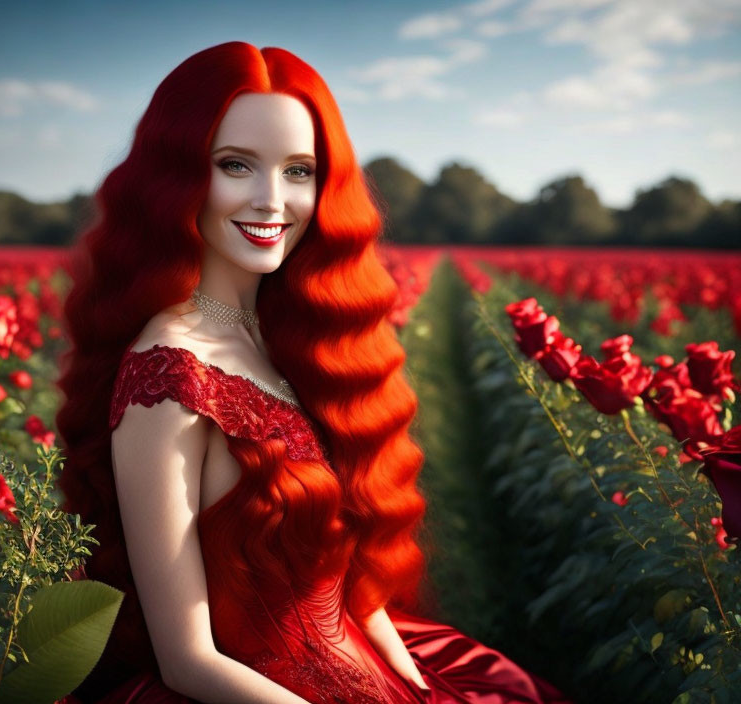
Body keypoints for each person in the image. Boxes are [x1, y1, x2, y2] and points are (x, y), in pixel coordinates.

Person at [56, 41, 571, 704]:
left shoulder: (290, 336)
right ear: (177, 177)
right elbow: (187, 659)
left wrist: (410, 680)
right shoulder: (166, 378)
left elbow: (341, 575)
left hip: (360, 667)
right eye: (236, 165)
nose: (273, 200)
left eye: (299, 171)